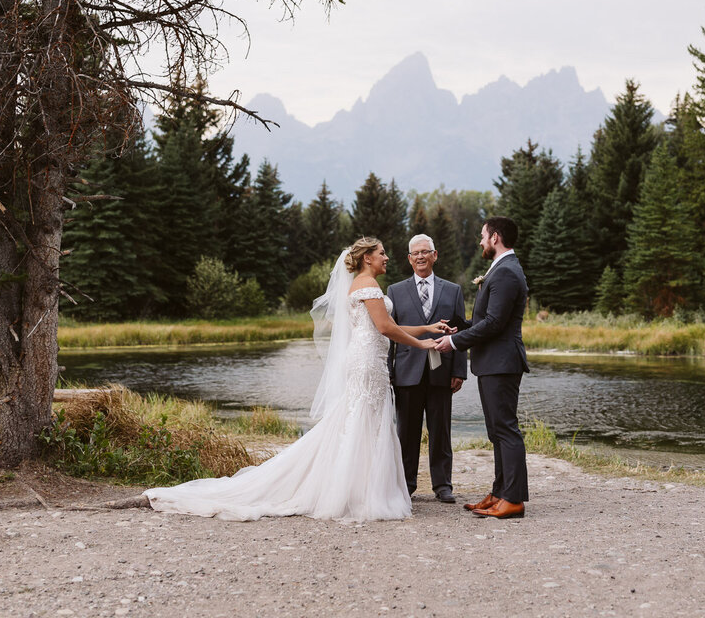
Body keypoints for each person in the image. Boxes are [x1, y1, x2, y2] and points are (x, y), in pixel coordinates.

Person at [144, 237, 453, 522]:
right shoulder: (368, 285)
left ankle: (361, 488)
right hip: (366, 363)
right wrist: (423, 343)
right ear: (367, 258)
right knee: (363, 421)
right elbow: (386, 328)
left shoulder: (363, 283)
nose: (387, 257)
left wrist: (427, 329)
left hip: (367, 360)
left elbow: (386, 325)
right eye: (382, 253)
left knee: (362, 422)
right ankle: (360, 493)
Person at [434, 216, 529, 519]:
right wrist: (460, 326)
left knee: (505, 430)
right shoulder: (502, 269)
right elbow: (487, 320)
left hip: (501, 362)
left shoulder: (506, 272)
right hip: (494, 362)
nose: (480, 241)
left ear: (496, 237)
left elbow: (496, 324)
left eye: (483, 236)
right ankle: (500, 492)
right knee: (496, 431)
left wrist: (456, 342)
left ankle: (512, 500)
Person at [387, 234, 468, 504]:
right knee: (406, 433)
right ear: (409, 259)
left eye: (426, 251)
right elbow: (389, 334)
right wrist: (388, 372)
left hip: (442, 373)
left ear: (435, 255)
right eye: (415, 253)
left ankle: (443, 486)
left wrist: (459, 370)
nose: (421, 257)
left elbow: (461, 332)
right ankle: (406, 486)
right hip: (407, 372)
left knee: (441, 431)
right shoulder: (395, 291)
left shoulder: (453, 290)